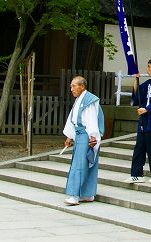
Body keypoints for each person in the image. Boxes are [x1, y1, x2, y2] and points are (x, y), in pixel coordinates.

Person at [63, 76, 104, 206]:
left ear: (82, 86)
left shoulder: (88, 100)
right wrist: (69, 136)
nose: (71, 89)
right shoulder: (79, 100)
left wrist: (93, 137)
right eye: (71, 86)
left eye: (73, 86)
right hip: (79, 134)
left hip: (86, 135)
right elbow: (72, 119)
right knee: (85, 164)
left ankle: (74, 196)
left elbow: (91, 119)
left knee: (79, 165)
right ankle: (87, 194)